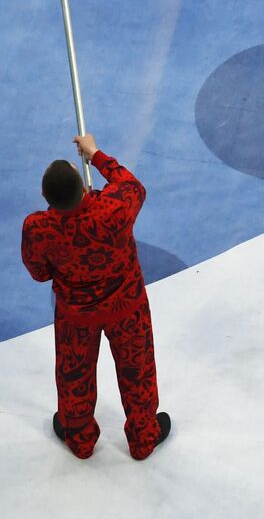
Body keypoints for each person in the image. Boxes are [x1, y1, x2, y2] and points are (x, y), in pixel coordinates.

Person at [20, 134, 170, 459]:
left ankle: (80, 439)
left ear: (46, 198)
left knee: (75, 376)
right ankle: (143, 437)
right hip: (127, 307)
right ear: (82, 185)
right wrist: (95, 154)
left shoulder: (38, 228)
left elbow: (39, 272)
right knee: (137, 370)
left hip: (76, 316)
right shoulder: (113, 208)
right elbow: (133, 186)